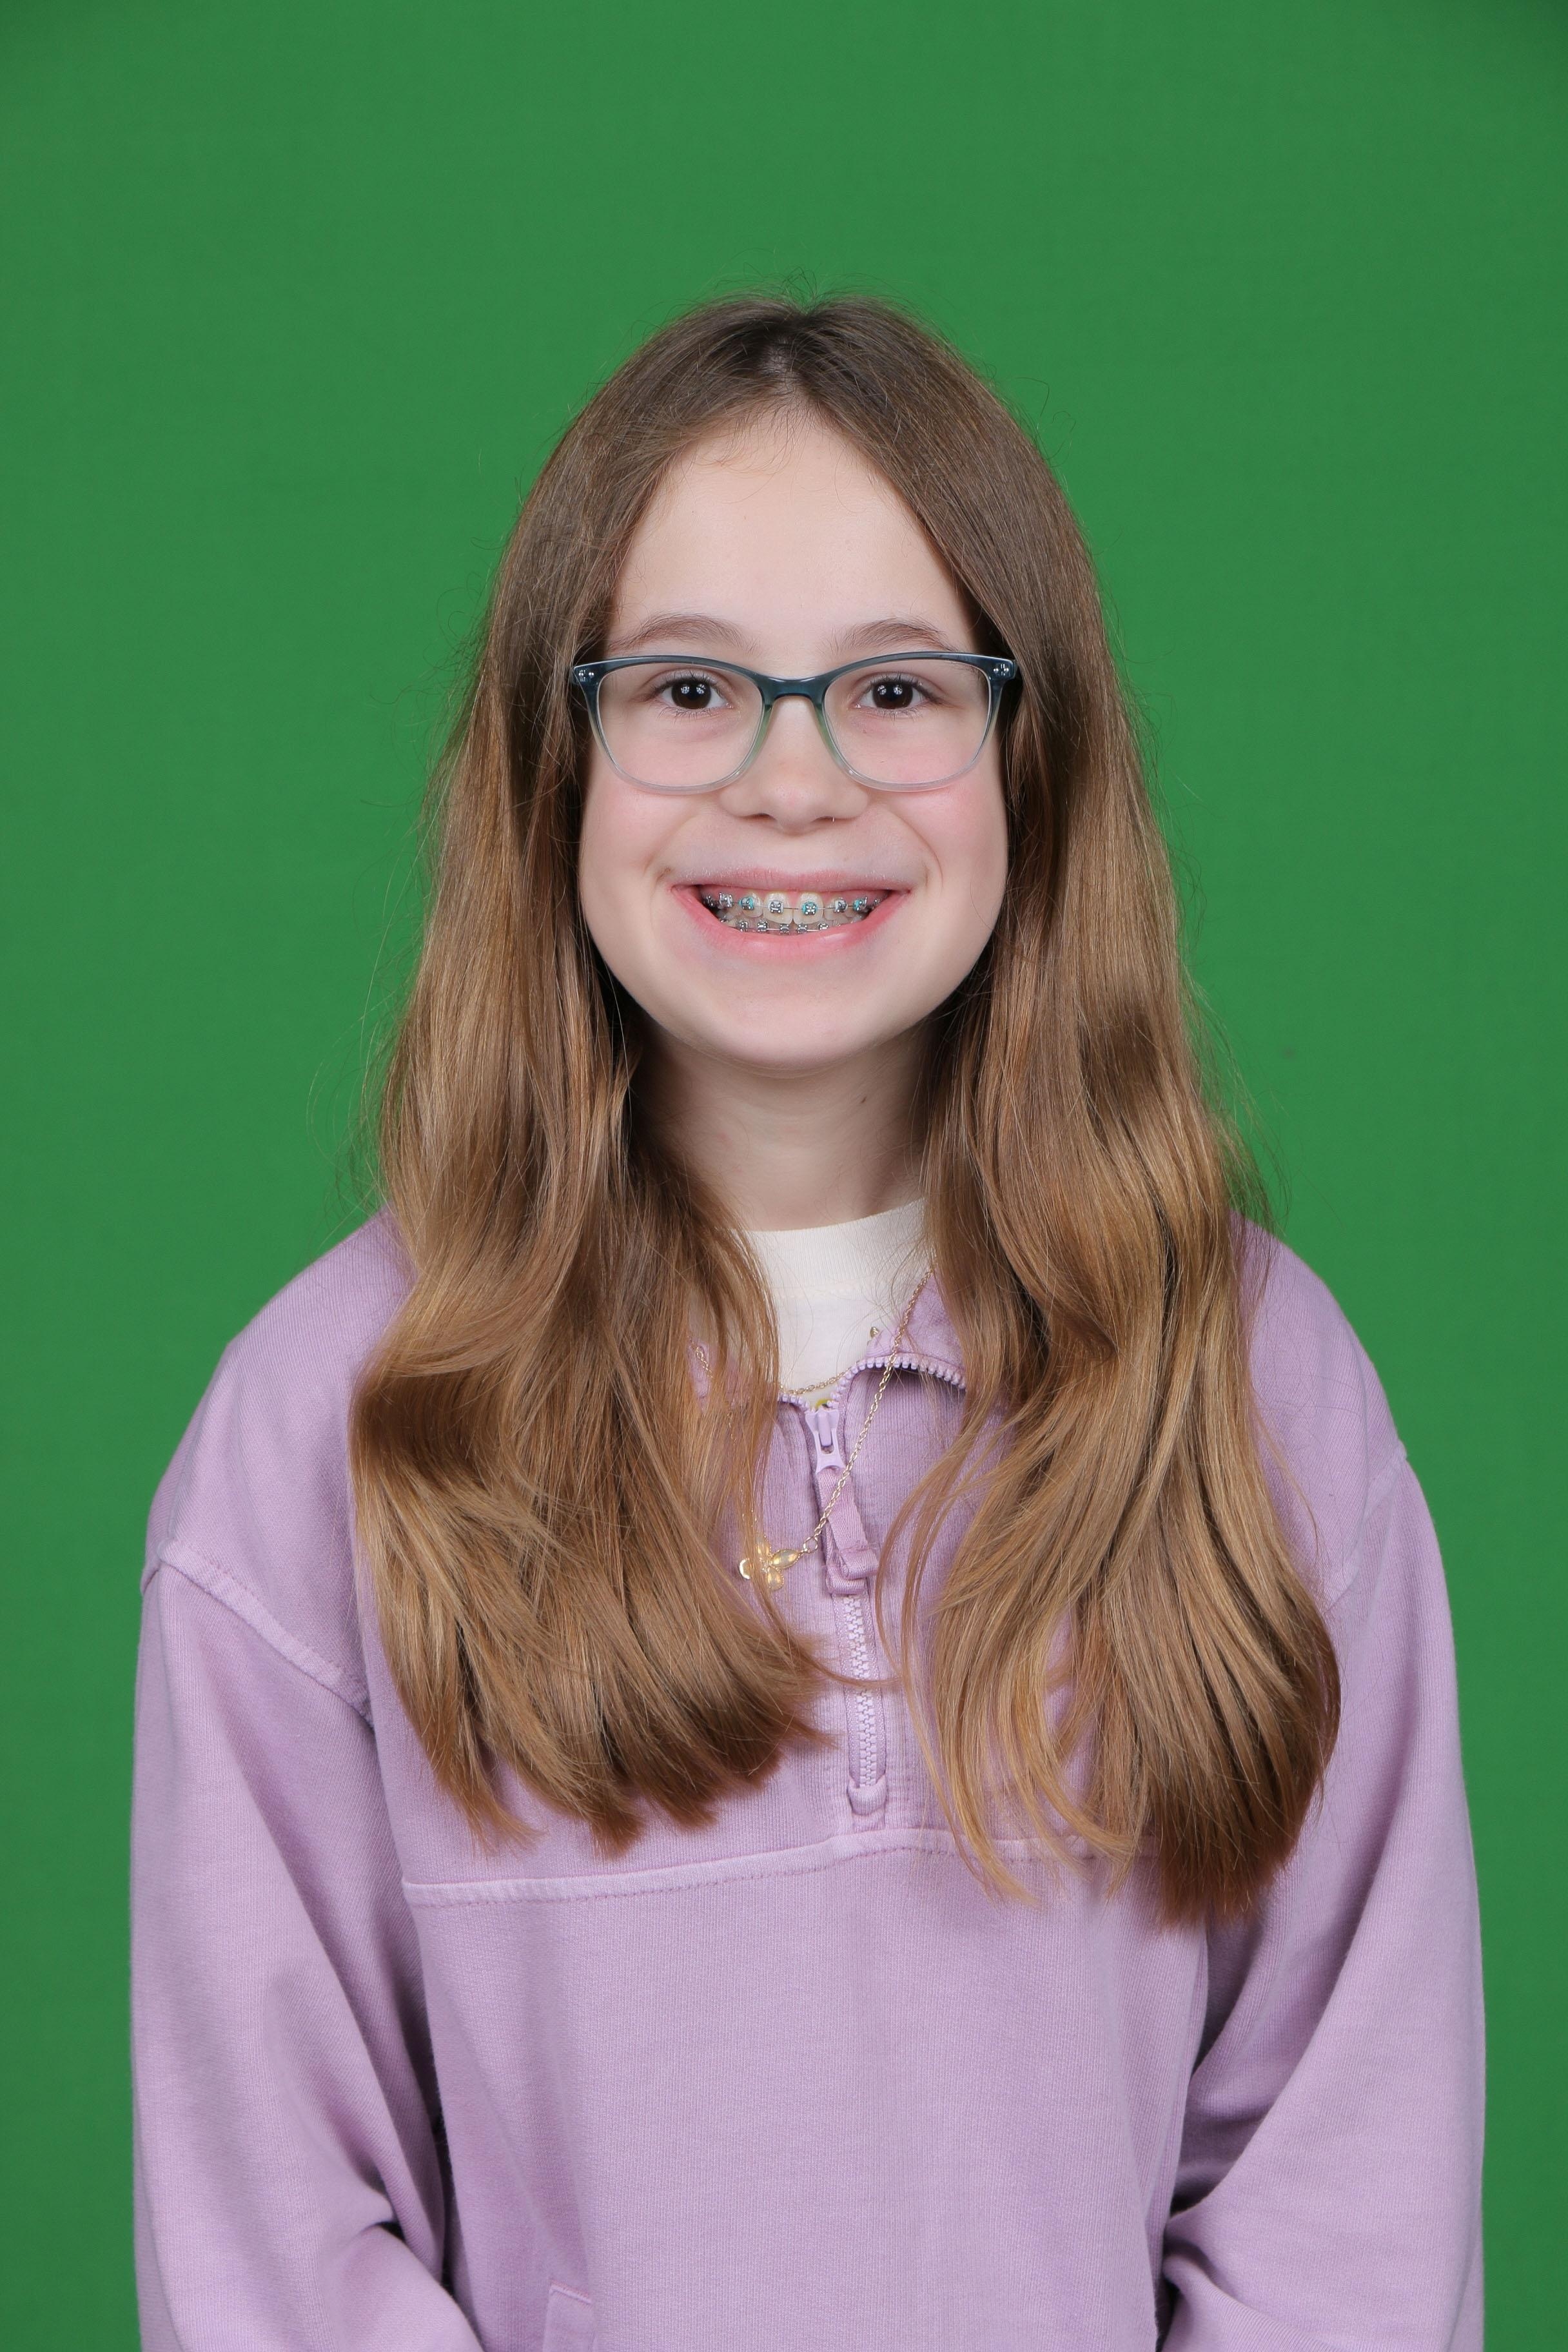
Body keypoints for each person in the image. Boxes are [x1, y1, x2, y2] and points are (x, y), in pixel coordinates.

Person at [130, 295, 1484, 2351]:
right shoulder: (322, 1429)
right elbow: (275, 2249)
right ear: (556, 760)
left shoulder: (1256, 1388)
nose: (791, 780)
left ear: (1033, 757)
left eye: (895, 689)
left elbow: (1346, 2203)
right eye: (689, 688)